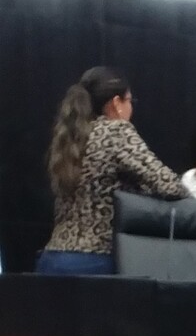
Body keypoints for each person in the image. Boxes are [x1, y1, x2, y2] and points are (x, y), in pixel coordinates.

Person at [37, 66, 186, 275]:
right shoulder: (115, 131)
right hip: (95, 261)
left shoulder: (71, 136)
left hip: (52, 258)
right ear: (117, 103)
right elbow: (170, 186)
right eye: (130, 101)